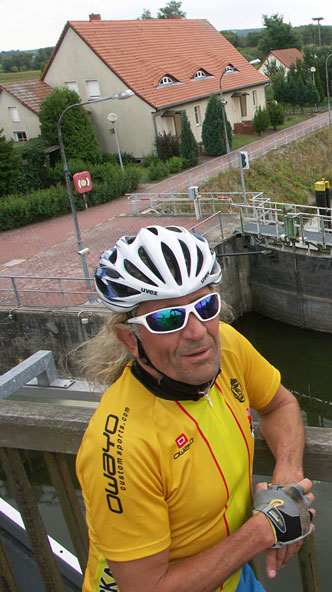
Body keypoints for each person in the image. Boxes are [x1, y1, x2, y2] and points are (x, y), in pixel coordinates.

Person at [75, 225, 313, 592]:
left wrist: (286, 479)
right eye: (168, 319)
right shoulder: (122, 447)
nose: (198, 332)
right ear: (129, 338)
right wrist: (264, 529)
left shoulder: (227, 348)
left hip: (229, 574)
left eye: (205, 306)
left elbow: (279, 404)